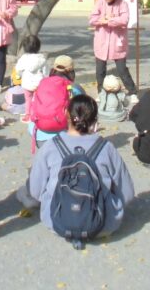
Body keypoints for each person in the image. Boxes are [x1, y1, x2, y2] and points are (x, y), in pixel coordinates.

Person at [23, 94, 135, 245]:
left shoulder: (51, 146)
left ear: (66, 114)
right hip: (104, 224)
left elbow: (35, 190)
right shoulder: (106, 148)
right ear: (95, 121)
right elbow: (127, 193)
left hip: (57, 222)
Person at [89, 0, 136, 94]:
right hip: (102, 42)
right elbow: (92, 20)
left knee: (122, 70)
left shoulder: (122, 4)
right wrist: (102, 20)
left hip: (117, 42)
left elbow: (124, 20)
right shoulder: (99, 3)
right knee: (100, 70)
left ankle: (133, 91)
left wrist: (109, 20)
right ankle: (101, 91)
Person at [11, 34, 48, 119]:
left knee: (28, 99)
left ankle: (28, 114)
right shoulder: (42, 59)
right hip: (39, 83)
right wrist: (45, 79)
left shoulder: (23, 58)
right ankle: (37, 114)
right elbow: (46, 72)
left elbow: (18, 69)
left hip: (27, 83)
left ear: (25, 47)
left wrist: (21, 75)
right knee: (38, 100)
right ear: (39, 47)